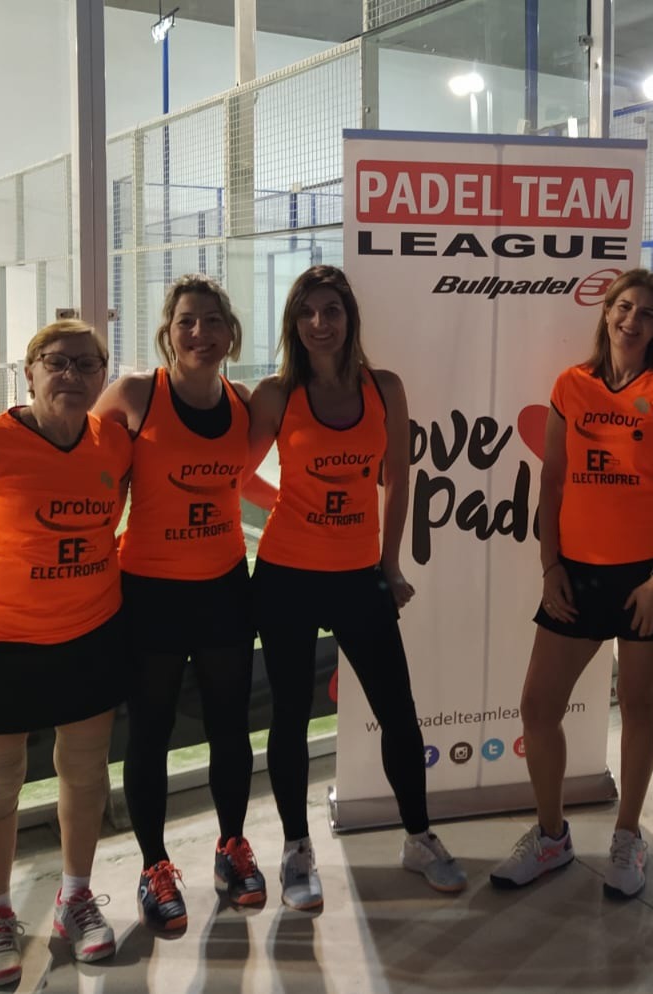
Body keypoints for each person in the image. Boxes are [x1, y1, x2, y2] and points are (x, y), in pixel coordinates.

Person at [246, 264, 466, 908]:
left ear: (350, 318)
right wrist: (288, 504)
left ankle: (418, 837)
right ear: (293, 322)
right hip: (286, 576)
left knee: (398, 711)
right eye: (307, 312)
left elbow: (398, 478)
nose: (320, 323)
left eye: (332, 310)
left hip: (357, 575)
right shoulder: (276, 394)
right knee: (289, 716)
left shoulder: (384, 387)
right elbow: (234, 475)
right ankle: (296, 850)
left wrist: (389, 564)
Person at [0, 320, 131, 987]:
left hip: (90, 632)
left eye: (87, 363)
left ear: (102, 375)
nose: (72, 374)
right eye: (57, 361)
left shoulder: (114, 443)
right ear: (30, 372)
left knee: (85, 775)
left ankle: (76, 898)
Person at [489, 268, 653, 899]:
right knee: (537, 707)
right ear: (606, 313)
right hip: (576, 574)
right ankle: (552, 836)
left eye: (647, 313)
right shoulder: (571, 385)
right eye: (623, 307)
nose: (632, 321)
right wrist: (550, 566)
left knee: (637, 704)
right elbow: (552, 479)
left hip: (644, 579)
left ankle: (628, 836)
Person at [95, 275, 274, 930]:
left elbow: (240, 479)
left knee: (231, 726)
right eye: (186, 322)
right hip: (150, 592)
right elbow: (90, 474)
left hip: (224, 587)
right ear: (167, 332)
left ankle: (233, 847)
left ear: (231, 333)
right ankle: (155, 866)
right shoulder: (136, 394)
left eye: (213, 321)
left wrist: (294, 507)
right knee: (151, 731)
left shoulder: (245, 403)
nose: (200, 333)